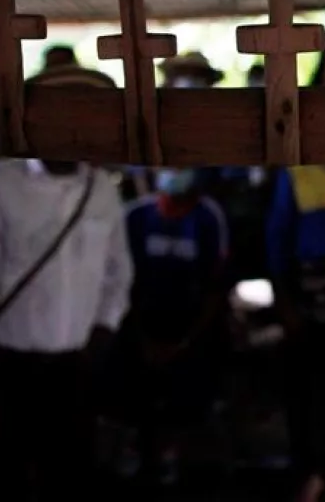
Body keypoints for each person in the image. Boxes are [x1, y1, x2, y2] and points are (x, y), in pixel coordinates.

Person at [0, 68, 133, 501]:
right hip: (6, 370)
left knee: (68, 480)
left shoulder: (101, 188)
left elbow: (118, 272)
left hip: (74, 369)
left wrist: (103, 330)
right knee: (0, 483)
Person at [113, 167, 229, 484]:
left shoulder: (208, 217)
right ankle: (140, 451)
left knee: (186, 396)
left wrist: (186, 343)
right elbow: (122, 286)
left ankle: (178, 456)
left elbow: (215, 288)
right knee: (137, 391)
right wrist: (141, 339)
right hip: (142, 327)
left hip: (189, 329)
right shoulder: (136, 217)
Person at [266, 161, 325, 502]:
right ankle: (308, 470)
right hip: (307, 291)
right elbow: (278, 239)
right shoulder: (298, 171)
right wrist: (285, 304)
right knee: (306, 390)